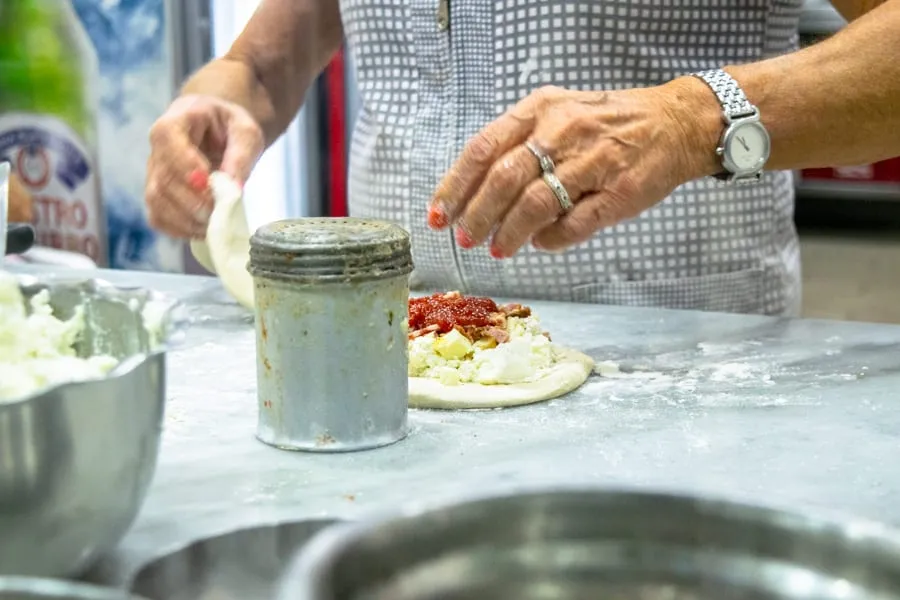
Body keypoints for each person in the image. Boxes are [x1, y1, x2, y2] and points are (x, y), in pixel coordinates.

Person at [145, 0, 900, 316]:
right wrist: (220, 104)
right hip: (404, 356)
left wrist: (684, 118)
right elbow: (265, 64)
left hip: (681, 366)